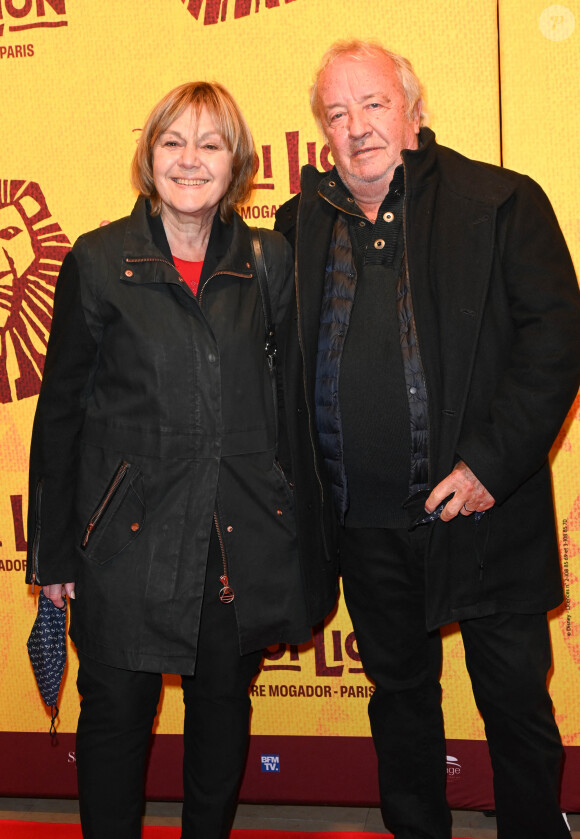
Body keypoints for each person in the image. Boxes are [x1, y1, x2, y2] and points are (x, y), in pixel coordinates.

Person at [274, 39, 580, 839]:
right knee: (401, 701)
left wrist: (488, 464)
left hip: (486, 511)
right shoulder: (295, 224)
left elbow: (556, 343)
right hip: (364, 525)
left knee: (514, 701)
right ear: (323, 133)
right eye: (337, 114)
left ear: (413, 113)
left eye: (373, 104)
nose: (357, 127)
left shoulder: (502, 201)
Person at [26, 81, 336, 839]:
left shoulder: (269, 260)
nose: (190, 160)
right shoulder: (98, 261)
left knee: (223, 712)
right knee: (116, 720)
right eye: (173, 142)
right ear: (148, 155)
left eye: (210, 144)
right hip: (125, 540)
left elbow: (290, 408)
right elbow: (60, 414)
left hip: (234, 538)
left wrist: (298, 534)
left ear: (237, 164)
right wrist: (53, 550)